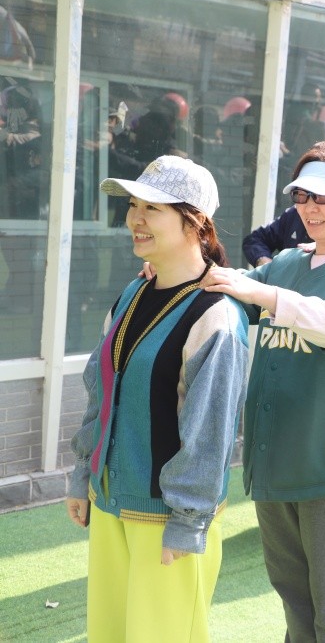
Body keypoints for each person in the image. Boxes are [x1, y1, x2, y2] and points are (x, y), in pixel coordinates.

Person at [201, 142, 325, 642]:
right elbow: (225, 297)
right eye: (302, 196)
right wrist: (179, 275)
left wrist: (263, 293)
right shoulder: (286, 261)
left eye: (324, 196)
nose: (310, 208)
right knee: (293, 598)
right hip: (273, 462)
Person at [66, 156, 249, 641]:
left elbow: (211, 432)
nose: (135, 218)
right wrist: (84, 473)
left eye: (153, 208)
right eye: (133, 205)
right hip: (109, 501)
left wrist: (188, 521)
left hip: (169, 519)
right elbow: (100, 390)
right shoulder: (133, 292)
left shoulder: (217, 314)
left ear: (195, 221)